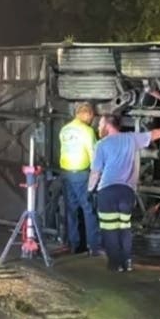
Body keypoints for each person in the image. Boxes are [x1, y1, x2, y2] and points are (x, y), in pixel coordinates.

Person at [88, 115, 160, 272]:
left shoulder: (101, 145)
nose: (98, 128)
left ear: (107, 125)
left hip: (108, 191)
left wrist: (90, 189)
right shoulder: (131, 139)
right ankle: (127, 262)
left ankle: (115, 264)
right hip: (127, 191)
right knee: (124, 227)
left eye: (100, 124)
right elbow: (153, 134)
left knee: (110, 228)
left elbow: (95, 172)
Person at [58, 102, 100, 255]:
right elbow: (94, 155)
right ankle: (94, 246)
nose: (92, 119)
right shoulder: (87, 131)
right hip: (81, 174)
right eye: (92, 116)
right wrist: (98, 174)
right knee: (89, 210)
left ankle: (74, 245)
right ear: (88, 114)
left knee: (71, 210)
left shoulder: (64, 129)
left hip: (66, 173)